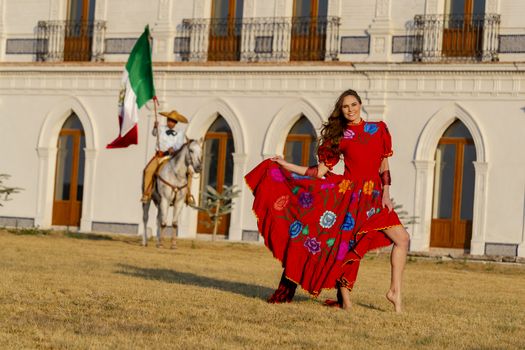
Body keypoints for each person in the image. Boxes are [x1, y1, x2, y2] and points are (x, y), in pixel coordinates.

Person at [245, 89, 410, 312]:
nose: (350, 109)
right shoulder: (340, 137)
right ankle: (346, 301)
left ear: (360, 104)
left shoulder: (379, 129)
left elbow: (383, 164)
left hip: (375, 197)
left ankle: (395, 291)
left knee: (402, 239)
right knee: (345, 248)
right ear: (340, 111)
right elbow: (318, 171)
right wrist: (286, 164)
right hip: (350, 197)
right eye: (345, 107)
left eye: (353, 104)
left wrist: (386, 192)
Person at [141, 110, 188, 203]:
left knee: (188, 172)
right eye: (169, 120)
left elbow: (180, 144)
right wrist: (155, 127)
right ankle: (147, 193)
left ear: (176, 122)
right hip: (160, 156)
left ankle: (187, 196)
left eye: (173, 121)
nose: (170, 123)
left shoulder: (180, 132)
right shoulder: (161, 128)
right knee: (148, 170)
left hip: (173, 158)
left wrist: (173, 148)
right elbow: (154, 134)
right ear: (167, 120)